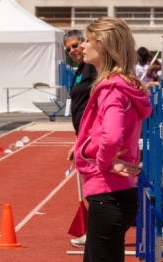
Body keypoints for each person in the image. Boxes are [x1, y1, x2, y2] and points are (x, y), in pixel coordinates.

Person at [67, 16, 152, 262]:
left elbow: (112, 136)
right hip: (110, 194)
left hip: (109, 196)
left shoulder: (112, 89)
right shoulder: (117, 86)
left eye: (88, 41)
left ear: (106, 47)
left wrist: (95, 158)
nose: (82, 47)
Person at [63, 29, 97, 249]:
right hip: (83, 136)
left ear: (85, 43)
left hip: (92, 136)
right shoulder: (80, 70)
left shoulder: (94, 67)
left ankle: (95, 233)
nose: (73, 50)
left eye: (75, 45)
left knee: (95, 188)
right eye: (68, 49)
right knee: (92, 187)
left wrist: (83, 139)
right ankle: (95, 232)